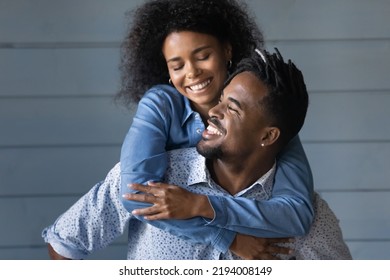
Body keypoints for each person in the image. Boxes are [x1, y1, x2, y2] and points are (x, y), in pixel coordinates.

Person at [43, 49, 351, 259]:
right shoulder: (153, 180)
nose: (212, 112)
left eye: (232, 108)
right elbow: (65, 242)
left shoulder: (311, 220)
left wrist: (202, 207)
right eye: (220, 99)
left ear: (268, 136)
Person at [115, 0, 314, 252]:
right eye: (177, 66)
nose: (191, 73)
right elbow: (136, 197)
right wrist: (228, 239)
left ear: (227, 51)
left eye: (203, 56)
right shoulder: (161, 105)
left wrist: (202, 205)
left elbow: (297, 213)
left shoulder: (263, 114)